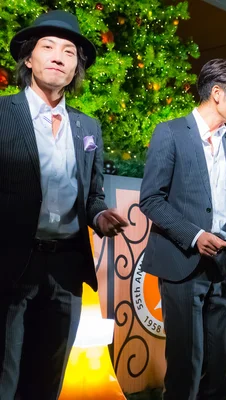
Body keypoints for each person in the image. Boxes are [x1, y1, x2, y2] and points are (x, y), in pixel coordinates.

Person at [0, 10, 128, 399]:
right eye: (49, 47)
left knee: (47, 380)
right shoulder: (3, 114)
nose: (59, 56)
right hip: (10, 266)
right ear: (28, 58)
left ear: (76, 68)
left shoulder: (87, 127)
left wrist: (102, 215)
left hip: (66, 270)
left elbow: (93, 195)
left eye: (69, 51)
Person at [139, 58, 226, 400]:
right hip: (181, 264)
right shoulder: (169, 133)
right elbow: (151, 200)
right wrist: (196, 236)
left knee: (219, 366)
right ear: (216, 93)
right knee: (186, 367)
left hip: (218, 266)